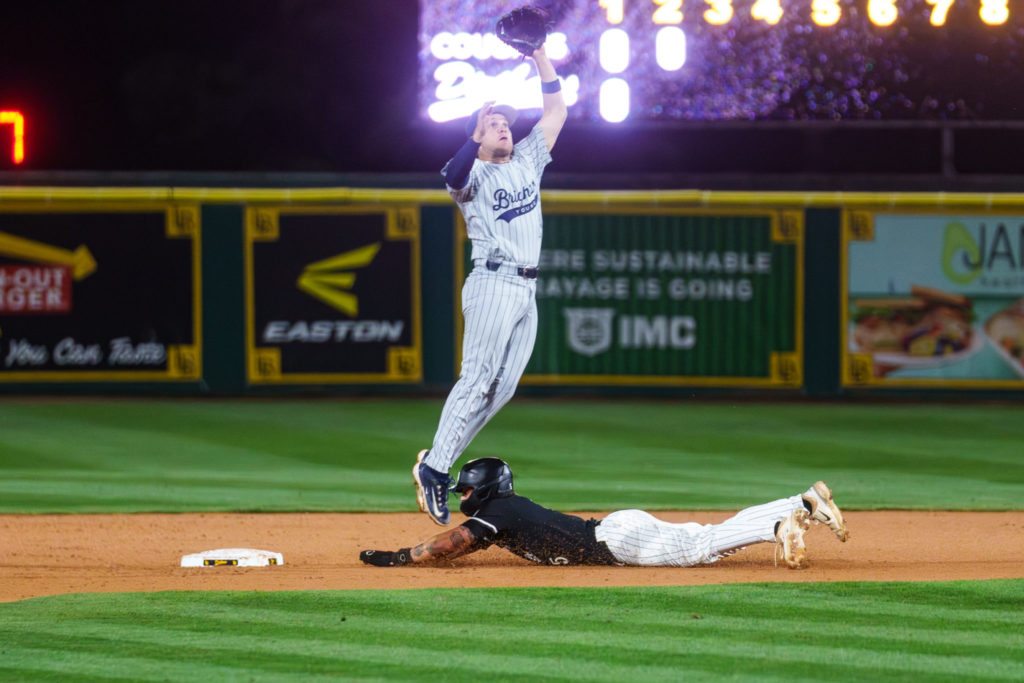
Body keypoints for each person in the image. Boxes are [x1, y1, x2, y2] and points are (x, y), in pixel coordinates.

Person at [413, 42, 568, 526]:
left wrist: (540, 54)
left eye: (504, 121)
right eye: (493, 123)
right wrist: (472, 136)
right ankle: (436, 469)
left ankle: (434, 463)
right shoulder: (471, 170)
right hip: (493, 282)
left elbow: (557, 108)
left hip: (527, 290)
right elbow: (451, 174)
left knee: (501, 389)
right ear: (478, 136)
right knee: (478, 377)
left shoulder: (527, 157)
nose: (503, 125)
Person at [367, 458, 850, 569]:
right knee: (706, 538)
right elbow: (468, 540)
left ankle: (779, 523)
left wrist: (400, 557)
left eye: (468, 491)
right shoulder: (502, 512)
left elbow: (451, 543)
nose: (463, 498)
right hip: (617, 533)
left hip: (617, 541)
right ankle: (801, 503)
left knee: (703, 545)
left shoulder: (500, 511)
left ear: (486, 492)